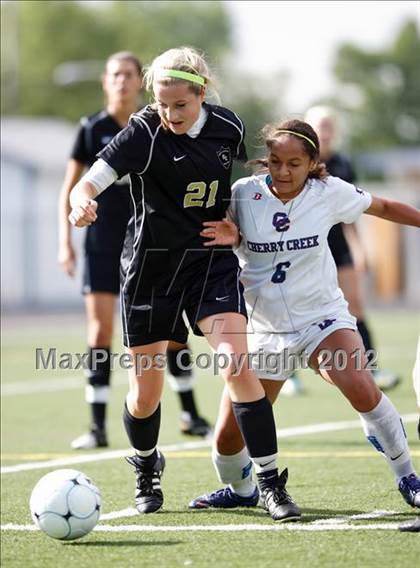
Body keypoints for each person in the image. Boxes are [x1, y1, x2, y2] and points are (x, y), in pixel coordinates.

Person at [68, 46, 300, 522]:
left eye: (180, 104)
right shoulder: (142, 133)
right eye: (161, 103)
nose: (169, 114)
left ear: (201, 94)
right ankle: (147, 467)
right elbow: (87, 182)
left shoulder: (228, 127)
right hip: (150, 270)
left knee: (237, 365)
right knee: (145, 395)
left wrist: (237, 227)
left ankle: (271, 483)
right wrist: (79, 203)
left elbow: (243, 193)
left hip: (208, 262)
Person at [192, 118, 420, 512]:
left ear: (313, 161)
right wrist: (236, 238)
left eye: (294, 163)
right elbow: (218, 229)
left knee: (361, 387)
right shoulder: (242, 193)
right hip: (265, 330)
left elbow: (382, 206)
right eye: (276, 161)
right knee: (228, 441)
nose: (283, 171)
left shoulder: (328, 192)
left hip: (322, 318)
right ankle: (242, 490)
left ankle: (408, 477)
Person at [58, 51, 211, 450]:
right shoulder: (92, 129)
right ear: (105, 82)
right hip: (104, 241)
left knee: (173, 332)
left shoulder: (164, 123)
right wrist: (65, 242)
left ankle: (191, 412)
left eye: (128, 74)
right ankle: (97, 426)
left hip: (153, 243)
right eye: (114, 75)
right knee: (101, 331)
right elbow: (72, 187)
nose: (122, 81)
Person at [304, 105, 400, 392]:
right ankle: (288, 376)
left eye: (329, 126)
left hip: (339, 247)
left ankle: (372, 368)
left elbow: (353, 213)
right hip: (306, 249)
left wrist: (360, 250)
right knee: (291, 308)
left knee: (356, 304)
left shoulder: (344, 164)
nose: (325, 132)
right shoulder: (298, 161)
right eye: (320, 126)